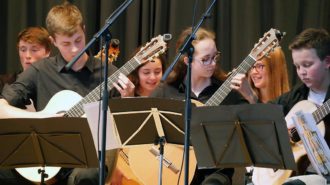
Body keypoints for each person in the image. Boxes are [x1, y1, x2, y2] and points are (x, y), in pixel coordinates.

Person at [0, 2, 118, 185]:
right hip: (48, 155)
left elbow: (118, 127)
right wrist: (42, 117)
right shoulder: (41, 70)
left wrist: (127, 96)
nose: (74, 49)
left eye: (78, 40)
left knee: (87, 176)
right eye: (65, 43)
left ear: (84, 30)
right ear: (53, 41)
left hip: (89, 153)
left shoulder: (107, 72)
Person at [151, 27, 247, 185]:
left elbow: (253, 127)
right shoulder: (166, 91)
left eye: (215, 57)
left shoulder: (227, 92)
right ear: (188, 61)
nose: (213, 63)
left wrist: (249, 95)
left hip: (215, 173)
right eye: (206, 59)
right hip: (174, 171)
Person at [234, 28, 330, 184]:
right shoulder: (296, 96)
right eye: (297, 67)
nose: (302, 72)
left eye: (307, 65)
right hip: (292, 173)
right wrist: (251, 97)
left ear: (327, 61)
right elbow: (266, 119)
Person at [0, 26, 51, 92]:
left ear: (47, 52)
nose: (27, 56)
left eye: (34, 50)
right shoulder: (3, 83)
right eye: (23, 50)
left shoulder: (55, 83)